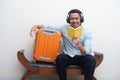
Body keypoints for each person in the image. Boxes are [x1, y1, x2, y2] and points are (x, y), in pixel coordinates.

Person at [30, 9, 96, 80]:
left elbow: (86, 52)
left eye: (76, 18)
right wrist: (36, 26)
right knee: (60, 58)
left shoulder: (87, 32)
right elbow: (50, 27)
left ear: (81, 19)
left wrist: (78, 44)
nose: (74, 21)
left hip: (81, 57)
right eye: (72, 19)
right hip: (68, 56)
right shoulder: (64, 27)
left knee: (91, 59)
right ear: (68, 20)